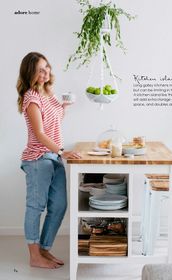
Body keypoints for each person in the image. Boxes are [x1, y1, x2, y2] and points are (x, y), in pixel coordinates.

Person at [16, 52, 81, 269]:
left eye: (47, 68)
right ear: (30, 73)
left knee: (60, 205)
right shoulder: (31, 97)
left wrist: (64, 108)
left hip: (53, 157)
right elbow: (41, 134)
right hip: (38, 158)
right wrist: (63, 151)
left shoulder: (48, 94)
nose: (46, 73)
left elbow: (54, 122)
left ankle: (44, 249)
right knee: (35, 207)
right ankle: (35, 256)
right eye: (40, 70)